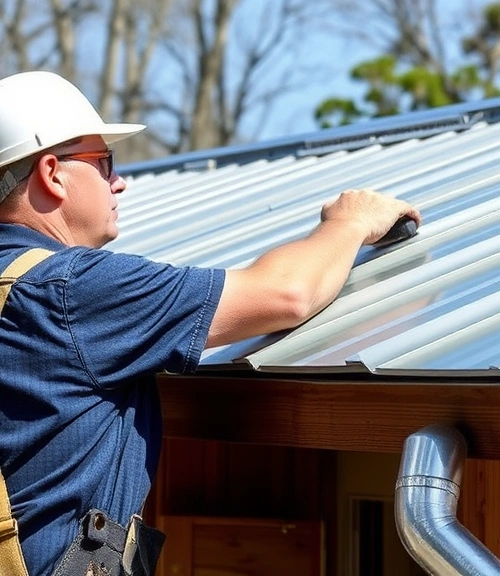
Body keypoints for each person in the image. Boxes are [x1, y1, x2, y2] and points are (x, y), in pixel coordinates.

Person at [0, 70, 420, 576]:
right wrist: (349, 222)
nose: (119, 182)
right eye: (104, 162)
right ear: (52, 173)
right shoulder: (73, 290)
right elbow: (286, 293)